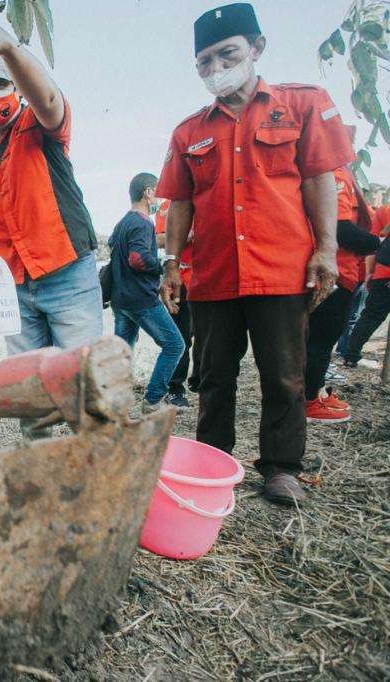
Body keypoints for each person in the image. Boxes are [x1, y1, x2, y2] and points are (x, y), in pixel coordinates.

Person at [158, 3, 354, 506]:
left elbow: (318, 179)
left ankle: (281, 468)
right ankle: (212, 461)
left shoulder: (301, 105)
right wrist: (173, 264)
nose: (216, 68)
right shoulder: (189, 131)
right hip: (215, 275)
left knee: (284, 374)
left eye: (227, 54)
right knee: (213, 376)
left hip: (282, 271)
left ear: (257, 48)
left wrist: (326, 250)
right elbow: (180, 204)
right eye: (205, 62)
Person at [0, 0, 101, 438]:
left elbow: (50, 99)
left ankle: (97, 483)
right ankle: (43, 476)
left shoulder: (40, 126)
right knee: (30, 399)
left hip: (67, 276)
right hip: (13, 292)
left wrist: (8, 48)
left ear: (15, 86)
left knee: (85, 390)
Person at [303, 163, 381, 423]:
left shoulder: (335, 173)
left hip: (339, 271)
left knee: (320, 340)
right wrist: (378, 244)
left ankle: (316, 393)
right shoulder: (333, 174)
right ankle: (310, 401)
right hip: (333, 272)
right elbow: (340, 227)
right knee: (320, 341)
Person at [108, 173, 186, 409]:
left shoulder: (122, 222)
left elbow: (113, 246)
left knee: (122, 352)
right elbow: (137, 259)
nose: (159, 201)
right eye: (158, 194)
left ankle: (111, 402)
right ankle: (153, 399)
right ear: (148, 192)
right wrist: (162, 264)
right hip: (141, 299)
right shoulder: (143, 222)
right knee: (175, 345)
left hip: (120, 299)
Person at [154, 199, 196, 402]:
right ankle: (175, 389)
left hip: (209, 278)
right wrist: (186, 235)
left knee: (208, 337)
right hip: (180, 280)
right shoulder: (167, 206)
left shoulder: (207, 197)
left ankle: (198, 380)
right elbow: (157, 240)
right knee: (182, 338)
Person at [341, 235, 390, 367]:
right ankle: (351, 355)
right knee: (371, 316)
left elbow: (374, 247)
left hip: (382, 274)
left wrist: (370, 273)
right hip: (384, 274)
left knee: (370, 316)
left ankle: (350, 356)